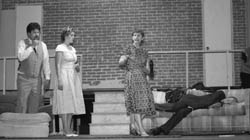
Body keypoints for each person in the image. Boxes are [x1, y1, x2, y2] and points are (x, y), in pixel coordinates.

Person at [119, 30, 156, 136]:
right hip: (132, 77)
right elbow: (120, 63)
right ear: (132, 38)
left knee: (147, 103)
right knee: (136, 104)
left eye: (139, 35)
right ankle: (141, 130)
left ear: (142, 38)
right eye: (134, 35)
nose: (136, 37)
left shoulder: (145, 51)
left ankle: (135, 124)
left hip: (142, 78)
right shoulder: (128, 48)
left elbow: (148, 71)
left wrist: (144, 66)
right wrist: (124, 58)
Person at [52, 27, 85, 137]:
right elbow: (57, 64)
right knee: (64, 102)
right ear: (66, 36)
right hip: (64, 75)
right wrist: (60, 79)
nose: (73, 37)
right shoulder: (60, 47)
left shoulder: (72, 49)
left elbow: (75, 63)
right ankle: (65, 130)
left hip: (73, 76)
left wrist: (77, 67)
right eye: (72, 35)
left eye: (74, 35)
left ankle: (69, 129)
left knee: (71, 102)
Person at [149, 90, 226, 135]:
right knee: (174, 107)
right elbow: (219, 96)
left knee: (180, 113)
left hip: (191, 106)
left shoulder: (216, 98)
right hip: (190, 100)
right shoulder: (211, 98)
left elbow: (222, 95)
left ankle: (162, 129)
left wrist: (222, 102)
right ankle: (153, 106)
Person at [16, 22, 51, 113]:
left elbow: (46, 62)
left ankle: (32, 125)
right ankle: (21, 124)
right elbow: (20, 57)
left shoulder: (43, 45)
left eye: (38, 32)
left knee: (35, 105)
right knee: (22, 104)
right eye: (34, 32)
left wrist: (47, 77)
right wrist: (31, 46)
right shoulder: (22, 43)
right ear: (28, 34)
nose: (37, 35)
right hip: (24, 79)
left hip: (37, 80)